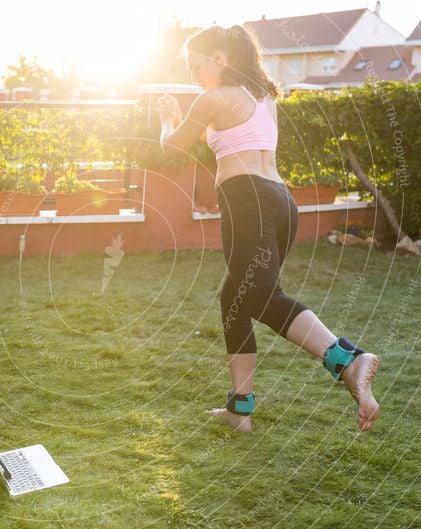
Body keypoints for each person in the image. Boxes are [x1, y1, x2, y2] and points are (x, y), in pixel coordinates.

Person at [158, 25, 380, 432]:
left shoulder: (211, 99)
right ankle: (239, 411)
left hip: (248, 203)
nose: (192, 73)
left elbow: (171, 146)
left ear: (219, 59)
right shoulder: (263, 98)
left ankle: (348, 359)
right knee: (236, 301)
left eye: (195, 64)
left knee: (260, 297)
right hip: (280, 202)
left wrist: (168, 119)